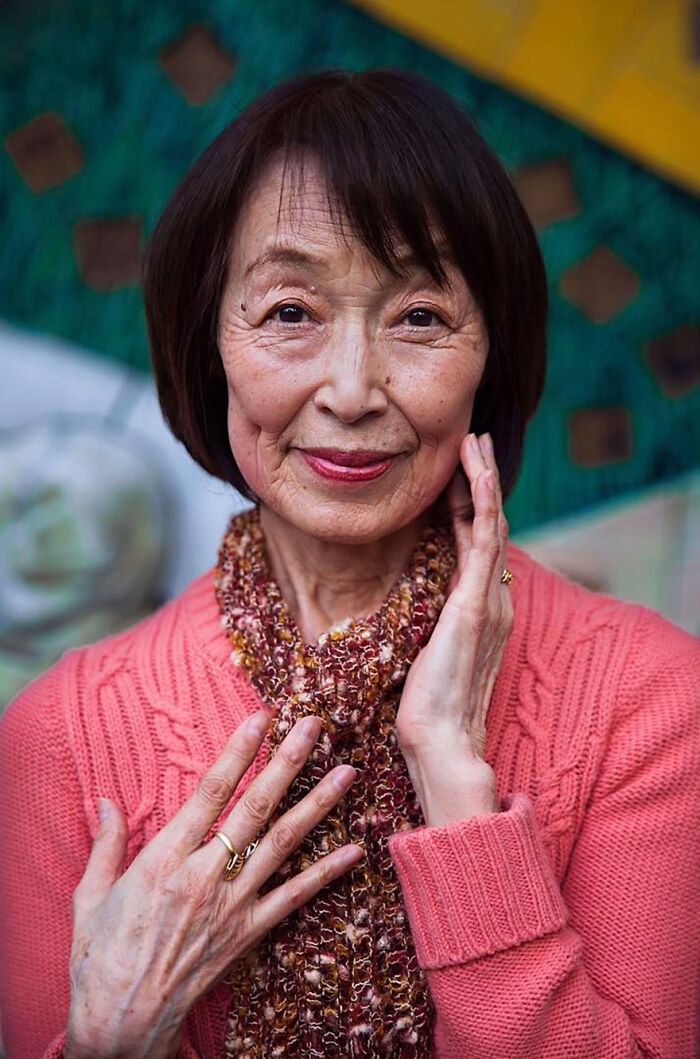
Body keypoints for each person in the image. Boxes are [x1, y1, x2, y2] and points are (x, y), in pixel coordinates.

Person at [0, 68, 698, 1059]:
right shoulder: (59, 737)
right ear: (207, 346)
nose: (353, 387)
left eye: (419, 317)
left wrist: (459, 794)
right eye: (290, 312)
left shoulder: (650, 700)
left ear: (492, 354)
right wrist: (114, 1037)